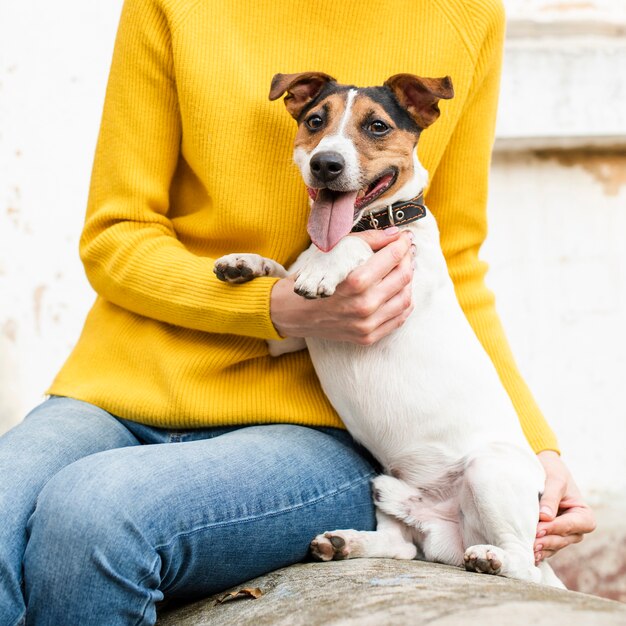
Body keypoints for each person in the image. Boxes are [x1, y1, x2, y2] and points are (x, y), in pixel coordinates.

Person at [0, 0, 596, 624]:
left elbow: (456, 264)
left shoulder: (464, 15)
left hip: (314, 426)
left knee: (94, 517)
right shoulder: (169, 9)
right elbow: (115, 234)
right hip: (121, 386)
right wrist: (274, 308)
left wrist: (538, 449)